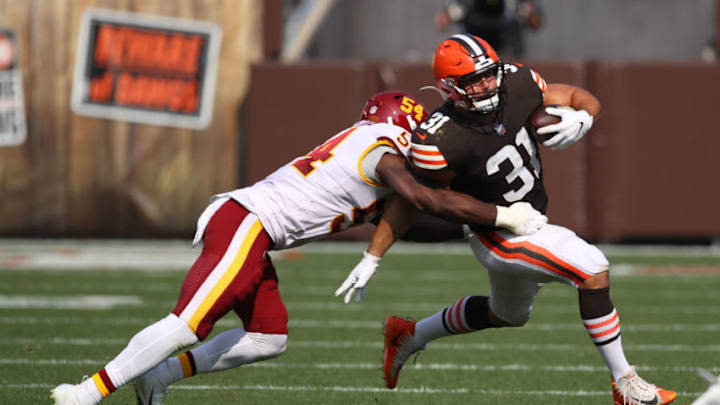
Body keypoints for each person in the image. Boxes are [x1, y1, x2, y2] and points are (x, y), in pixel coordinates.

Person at [50, 90, 547, 405]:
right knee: (187, 323)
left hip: (255, 231)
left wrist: (466, 231)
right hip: (247, 222)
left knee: (269, 338)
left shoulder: (368, 151)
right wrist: (501, 216)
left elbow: (408, 217)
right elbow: (421, 197)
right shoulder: (379, 147)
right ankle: (85, 393)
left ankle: (158, 377)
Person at [338, 34, 677, 405]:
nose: (486, 85)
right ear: (449, 88)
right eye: (473, 81)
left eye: (489, 74)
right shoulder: (438, 138)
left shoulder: (515, 81)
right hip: (496, 234)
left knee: (507, 314)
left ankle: (409, 334)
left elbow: (579, 96)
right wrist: (373, 257)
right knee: (593, 268)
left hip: (532, 221)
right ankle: (625, 383)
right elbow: (414, 200)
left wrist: (585, 117)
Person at [434, 0, 542, 58]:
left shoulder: (514, 3)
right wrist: (452, 13)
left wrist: (527, 11)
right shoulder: (465, 3)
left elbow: (536, 24)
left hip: (508, 51)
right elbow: (442, 22)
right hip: (475, 51)